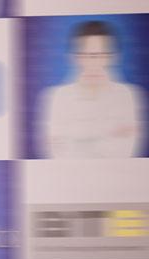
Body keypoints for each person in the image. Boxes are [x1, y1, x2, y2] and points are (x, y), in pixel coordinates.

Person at [38, 20, 145, 158]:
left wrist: (77, 138)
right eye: (86, 55)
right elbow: (57, 153)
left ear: (114, 57)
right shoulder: (56, 97)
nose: (94, 63)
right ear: (74, 58)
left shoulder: (128, 96)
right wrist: (108, 134)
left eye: (102, 55)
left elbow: (124, 151)